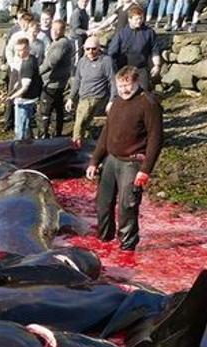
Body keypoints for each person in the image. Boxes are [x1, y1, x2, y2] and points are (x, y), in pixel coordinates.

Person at [86, 65, 162, 253]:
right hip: (111, 159)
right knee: (103, 203)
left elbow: (156, 138)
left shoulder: (148, 103)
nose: (124, 90)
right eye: (120, 86)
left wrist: (145, 169)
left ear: (137, 82)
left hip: (133, 162)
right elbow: (106, 133)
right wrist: (94, 160)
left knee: (127, 206)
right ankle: (104, 239)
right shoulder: (117, 102)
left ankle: (127, 247)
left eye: (127, 86)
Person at [67, 35, 114, 144]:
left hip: (96, 97)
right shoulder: (82, 61)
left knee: (79, 123)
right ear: (84, 48)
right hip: (83, 96)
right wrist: (71, 98)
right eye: (88, 49)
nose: (91, 51)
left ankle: (76, 143)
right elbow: (77, 80)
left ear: (99, 48)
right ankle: (83, 142)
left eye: (94, 49)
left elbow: (112, 81)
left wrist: (112, 100)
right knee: (83, 123)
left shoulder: (106, 61)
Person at [107, 4, 160, 90]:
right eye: (136, 19)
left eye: (141, 18)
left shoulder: (149, 32)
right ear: (129, 19)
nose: (139, 21)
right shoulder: (121, 34)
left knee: (144, 92)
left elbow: (155, 50)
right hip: (124, 69)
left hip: (141, 69)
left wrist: (157, 65)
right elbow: (111, 53)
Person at [38, 19, 74, 137]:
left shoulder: (61, 44)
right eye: (53, 29)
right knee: (57, 110)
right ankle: (56, 135)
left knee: (45, 112)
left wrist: (36, 73)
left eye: (59, 30)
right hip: (58, 82)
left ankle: (44, 136)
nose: (55, 32)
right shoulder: (59, 42)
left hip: (52, 83)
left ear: (63, 30)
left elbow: (51, 62)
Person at [7, 38, 43, 140]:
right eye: (17, 50)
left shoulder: (28, 64)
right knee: (26, 127)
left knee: (20, 129)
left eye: (22, 50)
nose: (19, 53)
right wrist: (13, 89)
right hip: (26, 99)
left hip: (25, 100)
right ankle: (29, 145)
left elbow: (24, 87)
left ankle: (19, 148)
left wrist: (11, 97)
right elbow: (20, 80)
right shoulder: (29, 59)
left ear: (28, 48)